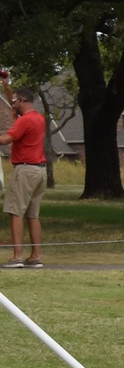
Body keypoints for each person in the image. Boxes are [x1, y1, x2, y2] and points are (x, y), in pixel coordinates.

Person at [6, 89, 48, 269]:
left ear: (22, 100)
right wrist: (6, 85)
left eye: (15, 101)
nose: (12, 104)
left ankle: (17, 257)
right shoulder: (39, 118)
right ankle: (35, 256)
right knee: (33, 215)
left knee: (15, 212)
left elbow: (6, 139)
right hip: (39, 171)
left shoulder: (25, 120)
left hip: (24, 169)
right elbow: (13, 102)